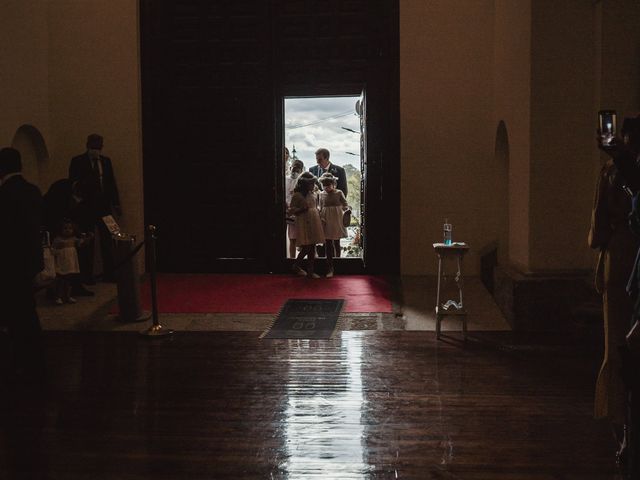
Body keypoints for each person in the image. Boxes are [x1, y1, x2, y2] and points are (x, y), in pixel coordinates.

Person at [593, 116, 640, 468]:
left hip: (622, 253)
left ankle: (622, 430)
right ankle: (623, 431)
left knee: (618, 346)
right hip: (625, 253)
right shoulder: (615, 170)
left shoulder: (614, 170)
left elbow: (600, 224)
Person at [0, 147, 45, 380]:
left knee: (15, 315)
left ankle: (20, 361)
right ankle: (33, 360)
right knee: (27, 312)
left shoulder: (4, 194)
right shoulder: (32, 191)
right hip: (30, 260)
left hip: (9, 263)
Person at [69, 134, 121, 282]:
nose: (96, 150)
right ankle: (86, 275)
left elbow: (111, 184)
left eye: (98, 147)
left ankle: (109, 274)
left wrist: (116, 204)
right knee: (88, 241)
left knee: (107, 240)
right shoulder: (77, 161)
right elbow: (73, 183)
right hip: (86, 207)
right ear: (87, 145)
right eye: (94, 146)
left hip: (104, 206)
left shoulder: (106, 162)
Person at [288, 172, 324, 279]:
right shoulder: (297, 195)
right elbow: (291, 210)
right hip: (304, 221)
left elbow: (315, 206)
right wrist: (301, 209)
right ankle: (296, 265)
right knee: (306, 246)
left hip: (314, 220)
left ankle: (310, 271)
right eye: (310, 184)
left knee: (312, 246)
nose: (313, 186)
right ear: (304, 184)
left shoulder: (312, 193)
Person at [52, 219, 93, 305]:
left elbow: (82, 243)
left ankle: (68, 295)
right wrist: (57, 249)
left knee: (69, 280)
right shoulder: (58, 240)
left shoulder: (74, 239)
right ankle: (58, 296)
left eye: (70, 228)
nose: (68, 230)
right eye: (65, 228)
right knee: (61, 280)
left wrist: (87, 238)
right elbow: (52, 250)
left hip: (71, 262)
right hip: (62, 262)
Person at [318, 173, 349, 277]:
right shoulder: (321, 194)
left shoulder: (339, 193)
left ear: (333, 184)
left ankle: (338, 263)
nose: (326, 188)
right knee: (328, 243)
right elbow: (320, 206)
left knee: (336, 241)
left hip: (337, 219)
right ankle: (329, 266)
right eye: (324, 186)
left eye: (328, 185)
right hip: (326, 219)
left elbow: (345, 204)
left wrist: (347, 210)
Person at [286, 159, 304, 258]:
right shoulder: (285, 180)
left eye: (298, 170)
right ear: (290, 168)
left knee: (304, 241)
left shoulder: (302, 182)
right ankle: (292, 260)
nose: (295, 172)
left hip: (300, 213)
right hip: (288, 212)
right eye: (293, 169)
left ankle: (300, 263)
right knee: (292, 239)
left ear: (301, 171)